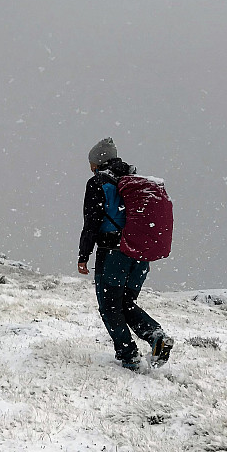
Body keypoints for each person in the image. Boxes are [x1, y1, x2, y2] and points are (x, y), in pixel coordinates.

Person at [78, 138, 174, 370]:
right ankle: (155, 336)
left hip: (113, 253)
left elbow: (92, 222)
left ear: (97, 162)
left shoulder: (99, 182)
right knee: (125, 302)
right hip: (139, 254)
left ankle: (128, 356)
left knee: (110, 306)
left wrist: (83, 255)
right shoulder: (132, 181)